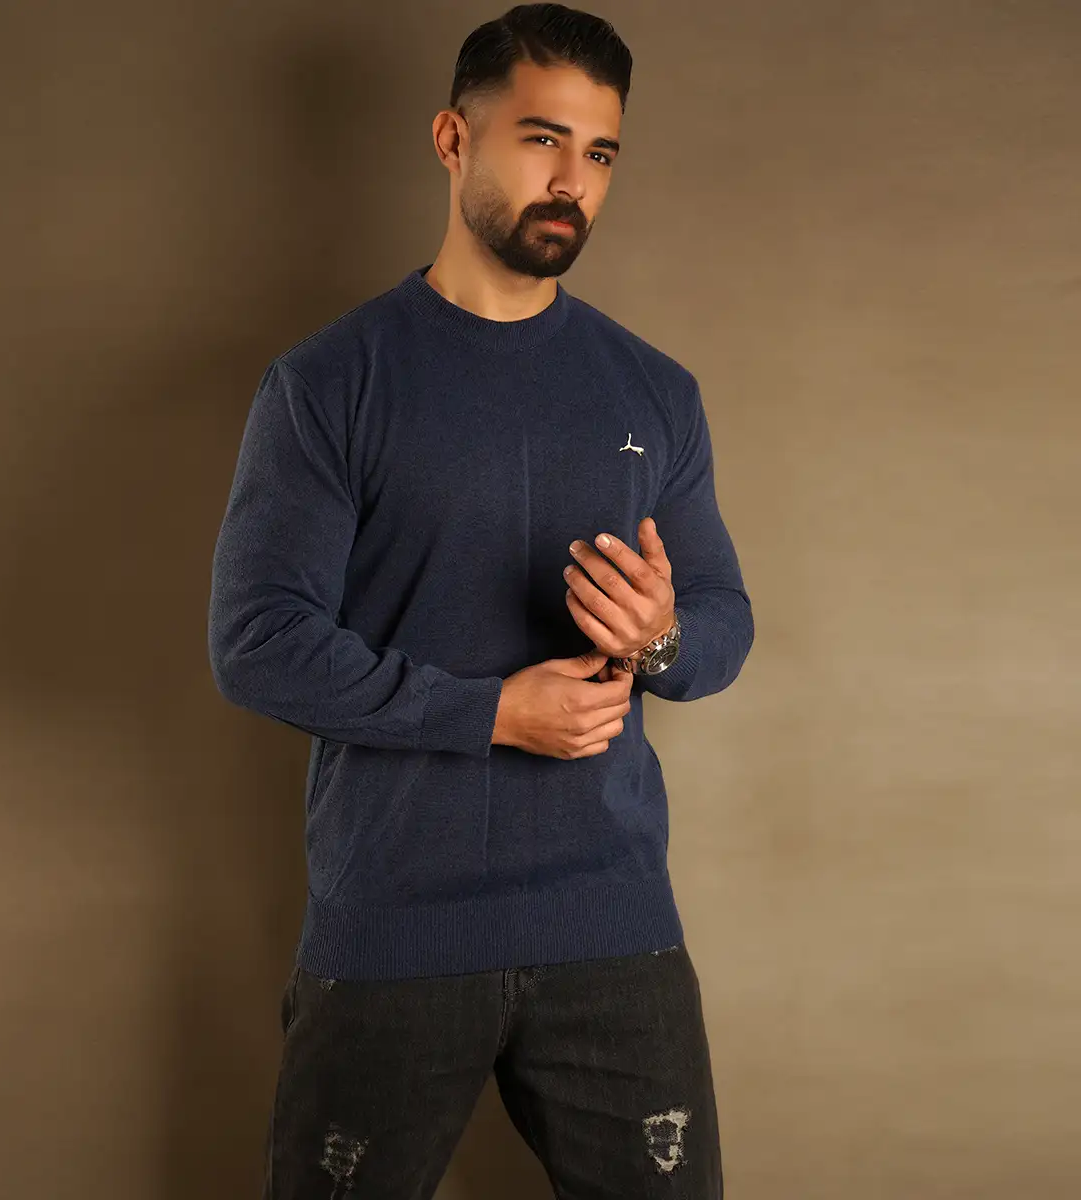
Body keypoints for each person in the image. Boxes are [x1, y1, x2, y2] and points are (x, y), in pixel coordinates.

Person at [207, 5, 753, 1196]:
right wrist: (493, 714)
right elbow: (256, 642)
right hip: (395, 925)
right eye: (541, 139)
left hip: (612, 926)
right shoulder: (330, 384)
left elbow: (721, 627)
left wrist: (660, 635)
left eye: (599, 153)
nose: (572, 182)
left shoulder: (654, 391)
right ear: (454, 139)